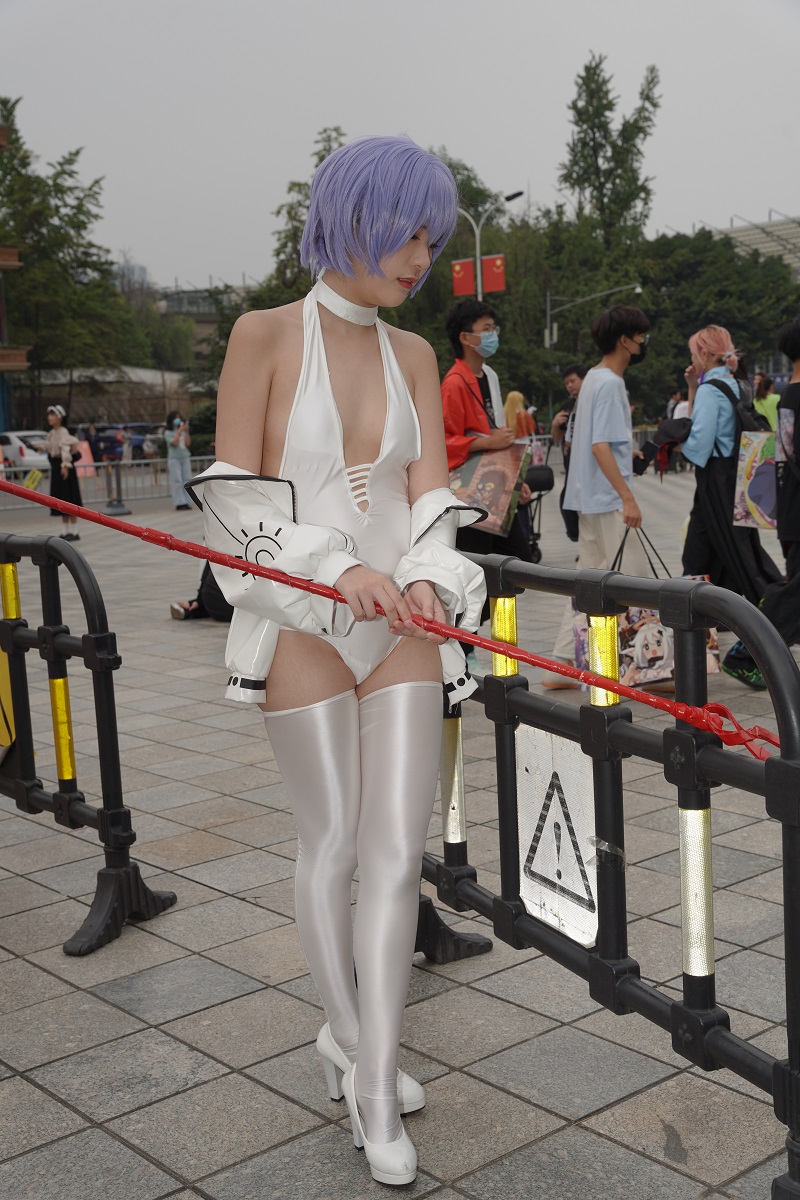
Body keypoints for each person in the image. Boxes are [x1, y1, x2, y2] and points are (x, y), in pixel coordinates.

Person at [186, 136, 486, 1189]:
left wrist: (426, 577)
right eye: (407, 233)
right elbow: (234, 507)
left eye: (430, 240)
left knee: (399, 857)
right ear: (352, 219)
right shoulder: (263, 334)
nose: (421, 257)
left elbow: (431, 499)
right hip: (304, 626)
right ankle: (351, 1044)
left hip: (400, 631)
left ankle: (375, 1078)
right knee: (333, 848)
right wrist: (331, 569)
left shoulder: (415, 356)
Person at [546, 308, 652, 686]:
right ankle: (648, 667)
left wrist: (627, 455)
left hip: (587, 497)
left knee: (587, 583)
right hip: (608, 500)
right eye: (641, 336)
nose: (643, 343)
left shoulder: (592, 377)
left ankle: (564, 662)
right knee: (636, 582)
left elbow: (592, 441)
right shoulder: (610, 384)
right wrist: (628, 498)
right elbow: (600, 446)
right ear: (625, 340)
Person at [680, 324, 780, 609]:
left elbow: (700, 444)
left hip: (716, 475)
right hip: (737, 472)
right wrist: (692, 387)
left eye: (693, 353)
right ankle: (707, 611)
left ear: (703, 354)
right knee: (713, 543)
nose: (692, 359)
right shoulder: (739, 384)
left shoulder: (710, 390)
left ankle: (775, 608)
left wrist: (676, 444)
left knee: (736, 550)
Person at [723, 317, 800, 688]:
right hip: (798, 511)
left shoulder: (791, 394)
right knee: (794, 592)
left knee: (794, 588)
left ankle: (750, 653)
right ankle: (745, 653)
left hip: (793, 509)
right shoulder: (797, 395)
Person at [440, 299, 533, 563]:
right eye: (487, 329)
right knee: (482, 564)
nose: (493, 335)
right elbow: (443, 443)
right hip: (470, 493)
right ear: (465, 338)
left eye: (494, 329)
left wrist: (515, 481)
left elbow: (497, 434)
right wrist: (488, 443)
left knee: (516, 561)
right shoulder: (454, 384)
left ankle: (503, 599)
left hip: (494, 487)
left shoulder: (489, 375)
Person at [550, 363, 587, 543]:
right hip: (571, 465)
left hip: (588, 466)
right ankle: (577, 538)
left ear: (584, 379)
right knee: (568, 505)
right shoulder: (568, 406)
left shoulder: (592, 402)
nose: (570, 386)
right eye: (566, 383)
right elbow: (557, 438)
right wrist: (555, 424)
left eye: (573, 381)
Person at [44, 404, 82, 540]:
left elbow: (65, 450)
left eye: (53, 414)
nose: (50, 417)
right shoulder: (52, 433)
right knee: (61, 499)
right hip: (56, 469)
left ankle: (74, 531)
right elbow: (49, 448)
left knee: (69, 498)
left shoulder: (64, 432)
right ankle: (65, 531)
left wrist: (65, 465)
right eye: (49, 414)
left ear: (60, 417)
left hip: (65, 469)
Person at [170, 561, 234, 622]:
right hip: (228, 605)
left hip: (210, 599)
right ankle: (197, 608)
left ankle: (195, 608)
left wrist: (199, 599)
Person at [166, 410, 192, 509]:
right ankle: (179, 502)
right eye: (176, 418)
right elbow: (174, 443)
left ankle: (187, 501)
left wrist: (186, 432)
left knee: (186, 479)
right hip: (174, 459)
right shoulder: (168, 432)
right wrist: (179, 431)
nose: (178, 419)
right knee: (177, 480)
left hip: (184, 457)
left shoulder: (183, 432)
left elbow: (188, 443)